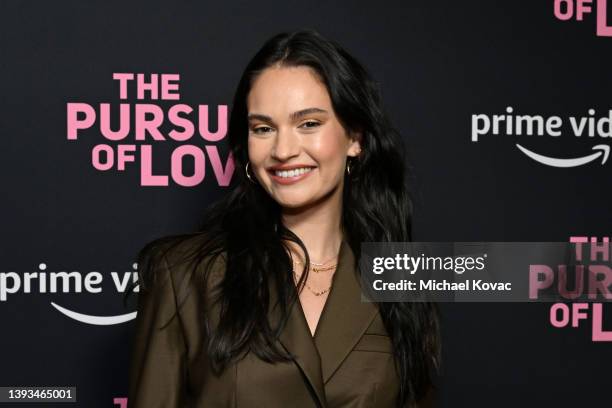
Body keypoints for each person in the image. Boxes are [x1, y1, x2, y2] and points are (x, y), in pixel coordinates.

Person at [127, 29, 440, 408]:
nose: (283, 149)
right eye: (263, 128)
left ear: (355, 138)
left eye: (308, 123)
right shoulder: (182, 274)